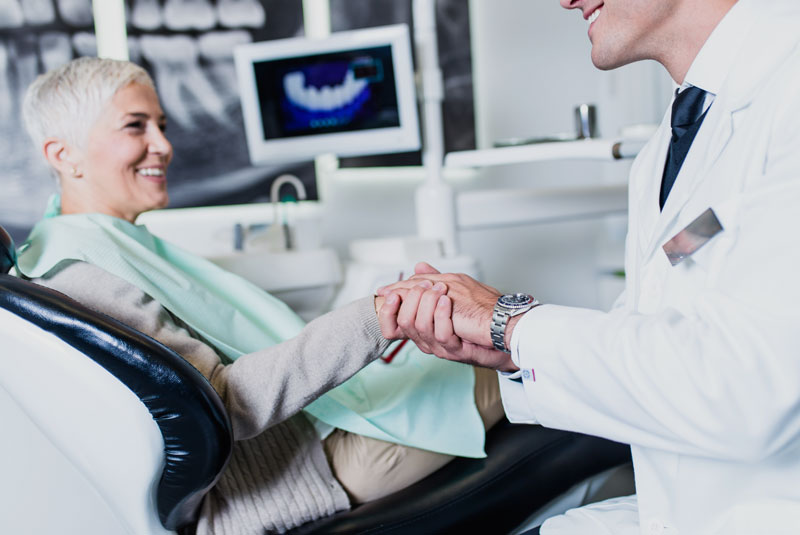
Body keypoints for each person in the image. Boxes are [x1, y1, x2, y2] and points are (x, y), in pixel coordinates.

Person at [16, 57, 504, 535]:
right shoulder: (81, 272)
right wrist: (378, 317)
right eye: (135, 126)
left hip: (306, 437)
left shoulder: (82, 244)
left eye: (161, 125)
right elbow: (223, 401)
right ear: (64, 155)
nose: (163, 145)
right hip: (305, 469)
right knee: (520, 359)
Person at [377, 0, 800, 533]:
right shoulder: (669, 146)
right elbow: (651, 336)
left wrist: (512, 323)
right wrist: (507, 349)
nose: (566, 0)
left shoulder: (790, 94)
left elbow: (749, 389)